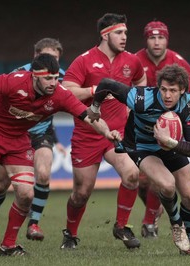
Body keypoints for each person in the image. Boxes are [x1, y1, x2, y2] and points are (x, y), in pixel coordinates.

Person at [0, 53, 119, 256]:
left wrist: (107, 132)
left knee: (26, 194)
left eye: (56, 78)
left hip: (18, 140)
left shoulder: (60, 95)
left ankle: (8, 246)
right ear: (34, 76)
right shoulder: (14, 81)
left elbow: (89, 116)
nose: (53, 83)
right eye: (48, 78)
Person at [88, 64, 190, 256]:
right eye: (163, 89)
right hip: (141, 146)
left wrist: (168, 141)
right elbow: (105, 84)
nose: (167, 95)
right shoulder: (141, 98)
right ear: (158, 87)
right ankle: (176, 225)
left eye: (173, 91)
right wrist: (95, 107)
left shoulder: (189, 105)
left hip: (170, 145)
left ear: (183, 90)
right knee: (168, 185)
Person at [60, 13, 146, 250]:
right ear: (105, 35)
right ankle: (70, 233)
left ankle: (121, 226)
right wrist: (94, 89)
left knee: (131, 174)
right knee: (82, 193)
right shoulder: (84, 60)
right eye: (119, 33)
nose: (124, 37)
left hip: (117, 133)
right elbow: (66, 92)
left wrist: (132, 109)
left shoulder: (132, 61)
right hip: (87, 134)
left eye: (126, 33)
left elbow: (141, 83)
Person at [0, 38, 67, 243]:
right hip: (15, 134)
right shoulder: (20, 73)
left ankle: (33, 223)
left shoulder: (60, 78)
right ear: (35, 56)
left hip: (41, 135)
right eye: (46, 56)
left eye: (55, 59)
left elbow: (68, 102)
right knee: (0, 185)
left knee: (43, 174)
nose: (51, 62)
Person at [132, 20, 190, 238]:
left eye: (161, 37)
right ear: (146, 40)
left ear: (167, 39)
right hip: (142, 133)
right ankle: (154, 216)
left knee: (173, 186)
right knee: (141, 182)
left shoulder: (177, 62)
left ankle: (150, 223)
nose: (157, 42)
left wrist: (185, 122)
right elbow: (128, 98)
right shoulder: (135, 61)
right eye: (152, 37)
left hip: (170, 136)